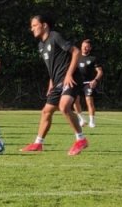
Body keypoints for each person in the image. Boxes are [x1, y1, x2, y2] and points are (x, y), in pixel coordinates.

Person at [20, 15, 88, 155]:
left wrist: (69, 74)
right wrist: (51, 82)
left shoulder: (55, 36)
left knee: (64, 106)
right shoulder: (41, 46)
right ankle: (38, 143)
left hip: (71, 79)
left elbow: (76, 52)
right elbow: (53, 65)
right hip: (57, 82)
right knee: (46, 111)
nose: (32, 28)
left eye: (34, 25)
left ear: (44, 25)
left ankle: (81, 140)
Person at [71, 40, 104, 128]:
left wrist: (95, 80)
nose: (85, 48)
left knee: (89, 101)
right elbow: (70, 69)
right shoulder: (76, 57)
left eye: (87, 46)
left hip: (88, 83)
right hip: (77, 83)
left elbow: (100, 72)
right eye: (83, 46)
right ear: (81, 46)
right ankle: (82, 119)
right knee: (75, 101)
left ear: (90, 48)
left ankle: (92, 122)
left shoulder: (93, 58)